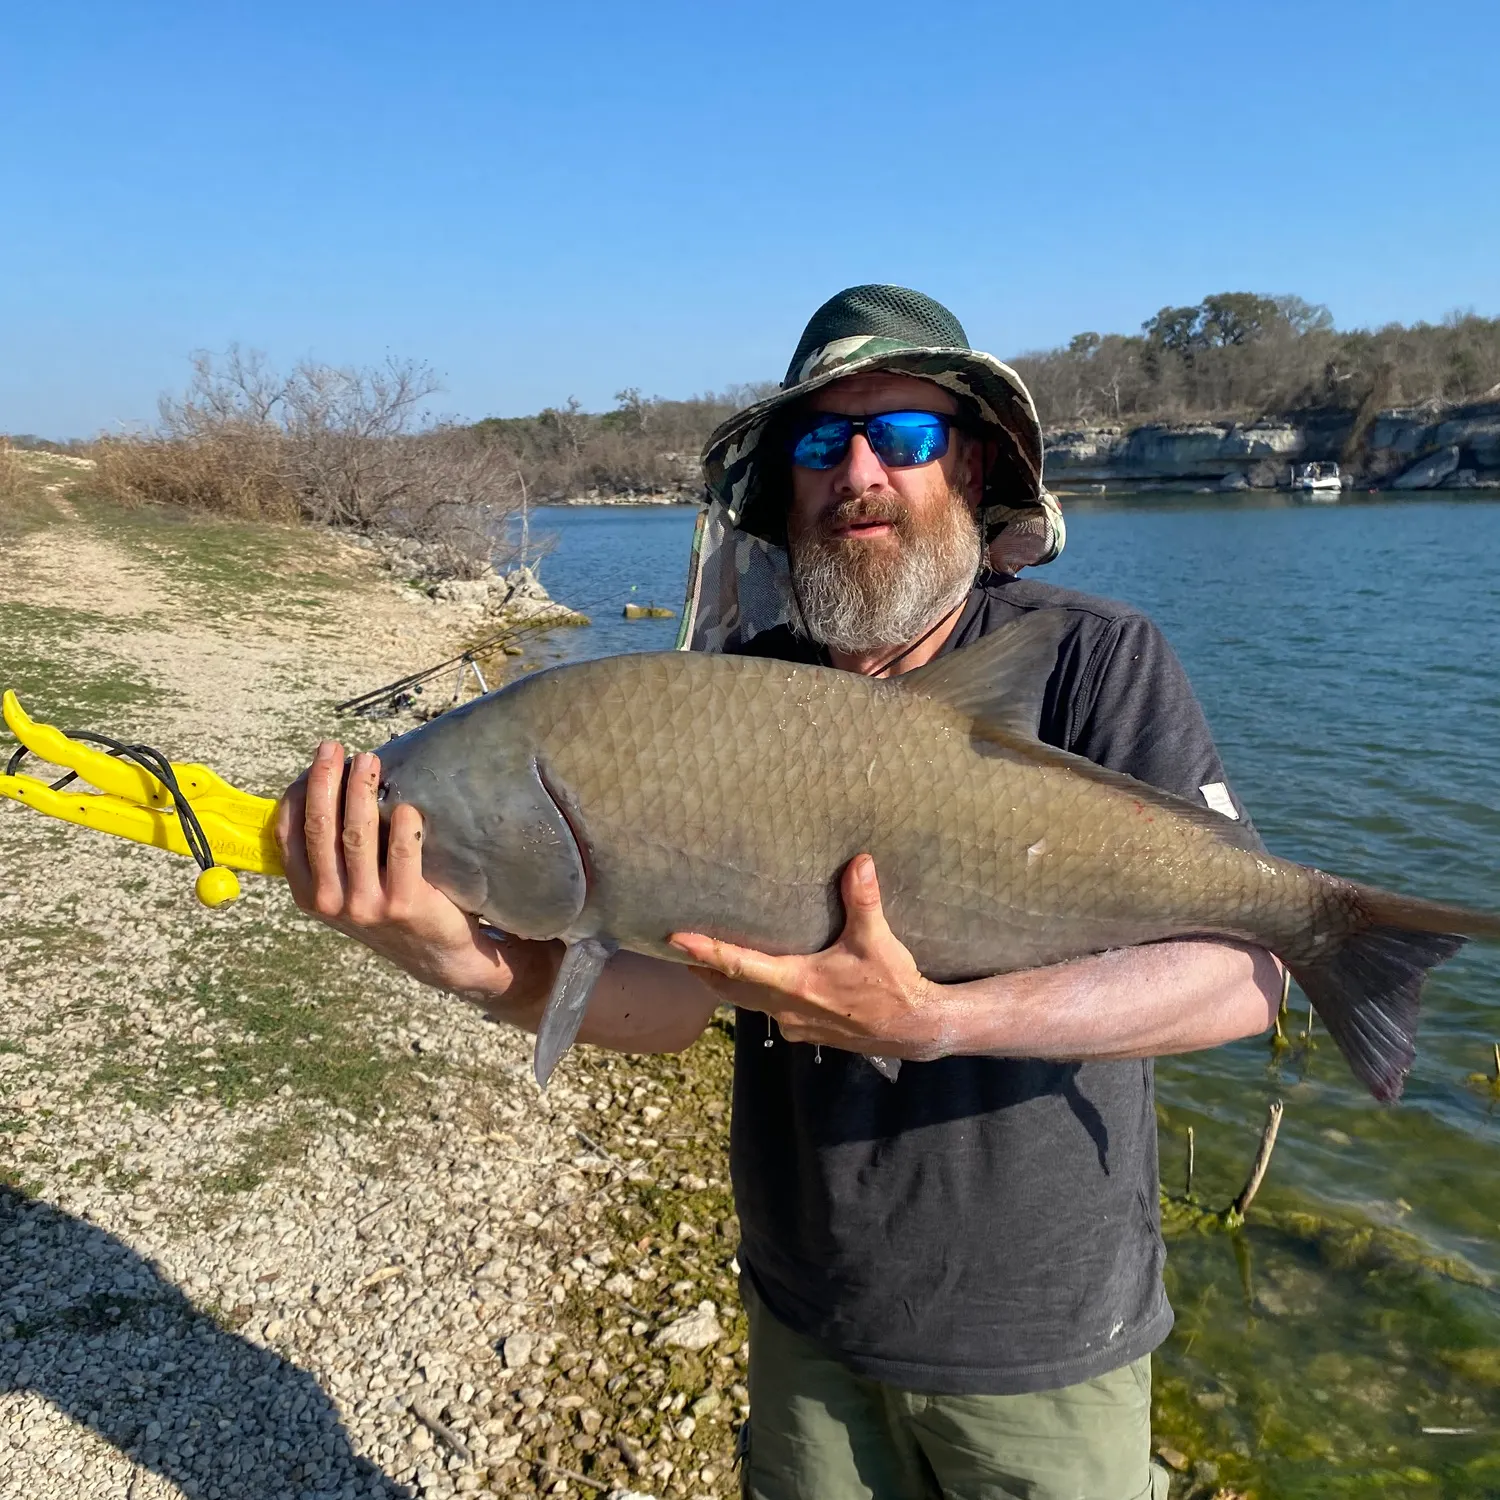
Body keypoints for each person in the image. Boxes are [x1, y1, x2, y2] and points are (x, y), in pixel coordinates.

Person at [276, 285, 1283, 1500]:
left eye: (901, 435)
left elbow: (1245, 975)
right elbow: (673, 1007)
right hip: (807, 1304)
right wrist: (459, 955)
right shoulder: (737, 691)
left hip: (1042, 1334)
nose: (857, 470)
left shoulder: (1096, 661)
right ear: (784, 486)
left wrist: (938, 1022)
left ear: (969, 466)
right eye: (819, 441)